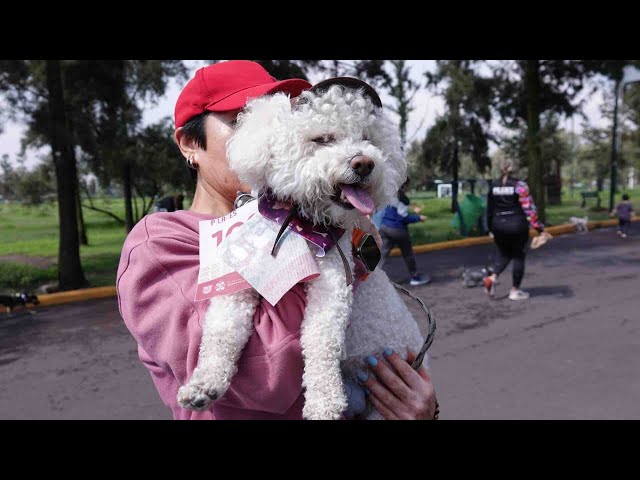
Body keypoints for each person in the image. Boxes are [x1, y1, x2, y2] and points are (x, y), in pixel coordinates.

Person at [116, 60, 438, 420]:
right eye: (239, 119)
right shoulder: (161, 243)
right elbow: (263, 379)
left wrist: (423, 409)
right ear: (190, 143)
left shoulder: (323, 218)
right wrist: (346, 262)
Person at [483, 159, 551, 301]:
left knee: (504, 254)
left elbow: (489, 209)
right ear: (515, 170)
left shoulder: (493, 185)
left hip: (497, 225)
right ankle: (515, 291)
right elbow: (529, 210)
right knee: (519, 256)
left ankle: (492, 278)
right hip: (517, 225)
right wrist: (540, 229)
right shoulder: (520, 185)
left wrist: (489, 228)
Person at [378, 178, 430, 286]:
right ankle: (415, 277)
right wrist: (418, 218)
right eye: (408, 186)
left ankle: (373, 279)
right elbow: (403, 218)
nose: (409, 188)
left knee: (382, 255)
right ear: (404, 186)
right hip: (397, 230)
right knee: (408, 254)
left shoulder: (390, 194)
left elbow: (395, 211)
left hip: (384, 227)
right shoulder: (403, 198)